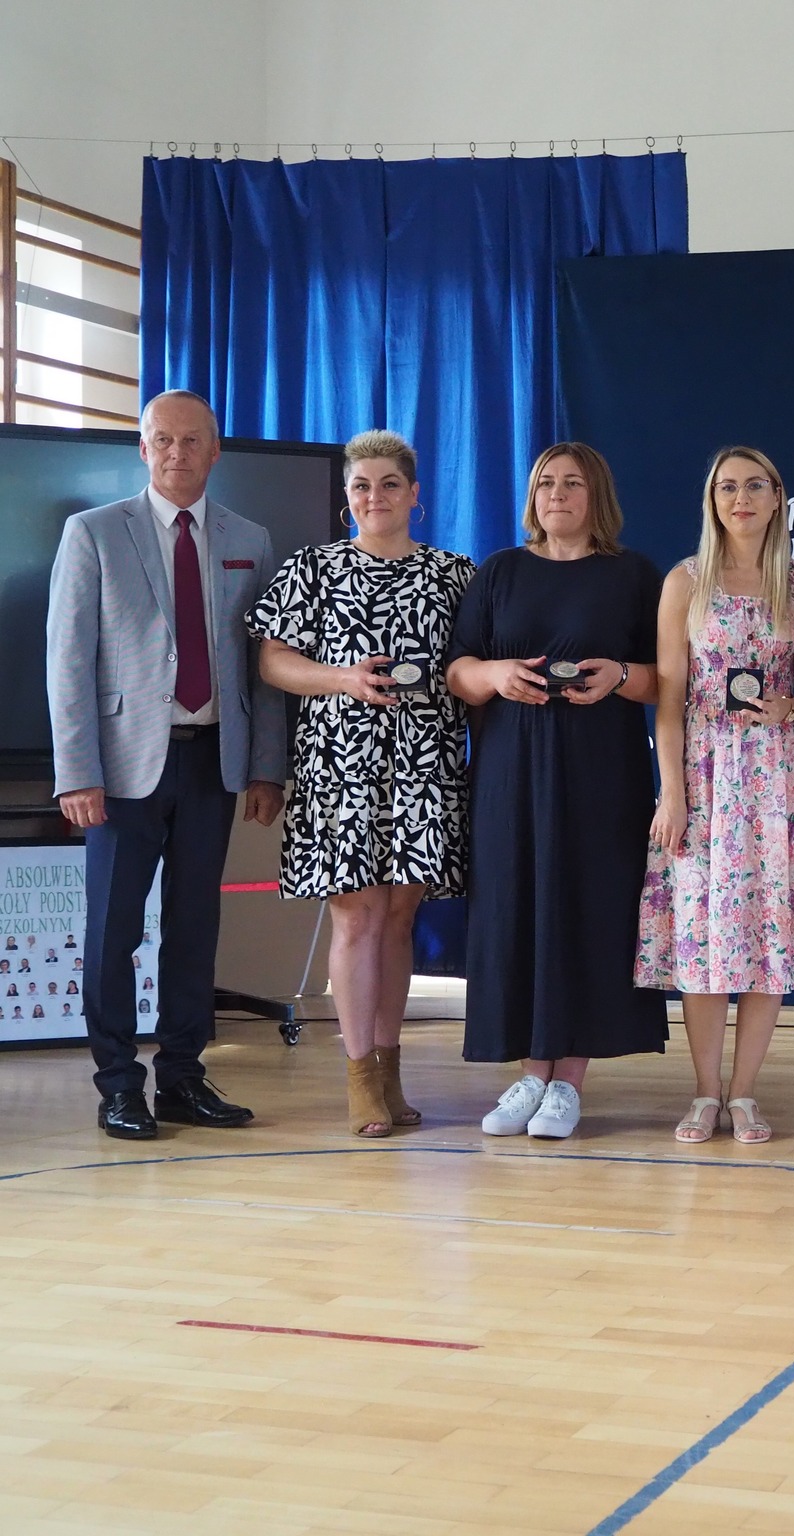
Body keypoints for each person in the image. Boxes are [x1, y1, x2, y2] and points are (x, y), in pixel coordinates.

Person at [46, 389, 287, 1140]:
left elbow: (264, 664)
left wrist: (266, 767)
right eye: (163, 440)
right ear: (143, 449)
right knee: (113, 929)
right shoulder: (92, 532)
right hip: (120, 771)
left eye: (192, 440)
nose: (177, 453)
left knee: (194, 927)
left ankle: (182, 1076)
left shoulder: (251, 538)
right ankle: (119, 1085)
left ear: (215, 450)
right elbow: (67, 661)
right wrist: (76, 771)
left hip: (214, 762)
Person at [248, 430, 476, 1137]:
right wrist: (341, 678)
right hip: (339, 764)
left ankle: (388, 1066)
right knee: (356, 918)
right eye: (361, 486)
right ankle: (357, 1076)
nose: (374, 496)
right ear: (347, 499)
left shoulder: (455, 573)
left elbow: (473, 667)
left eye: (388, 484)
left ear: (415, 494)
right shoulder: (313, 568)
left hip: (424, 763)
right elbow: (273, 662)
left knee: (400, 919)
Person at [447, 442, 667, 1139]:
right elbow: (458, 672)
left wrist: (619, 677)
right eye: (546, 483)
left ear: (596, 494)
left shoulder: (632, 575)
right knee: (515, 909)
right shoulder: (500, 571)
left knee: (588, 910)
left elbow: (669, 679)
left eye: (572, 483)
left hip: (601, 772)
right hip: (510, 771)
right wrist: (495, 675)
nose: (557, 494)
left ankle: (569, 1079)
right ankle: (529, 1075)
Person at [639, 448, 794, 1145]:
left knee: (767, 936)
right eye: (727, 487)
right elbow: (668, 698)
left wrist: (791, 707)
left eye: (754, 486)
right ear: (711, 500)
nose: (740, 498)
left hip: (778, 776)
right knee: (703, 937)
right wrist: (672, 793)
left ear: (777, 497)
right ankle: (704, 1093)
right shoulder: (686, 581)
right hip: (704, 771)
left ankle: (744, 1094)